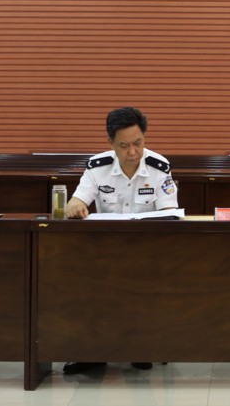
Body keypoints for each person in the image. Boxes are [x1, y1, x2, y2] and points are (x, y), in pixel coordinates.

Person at [62, 106, 177, 375]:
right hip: (105, 251)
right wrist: (75, 205)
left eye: (138, 143)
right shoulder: (97, 167)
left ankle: (140, 348)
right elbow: (76, 201)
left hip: (146, 252)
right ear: (111, 143)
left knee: (142, 280)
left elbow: (169, 215)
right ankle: (92, 354)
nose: (133, 152)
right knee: (80, 278)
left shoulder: (159, 167)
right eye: (124, 146)